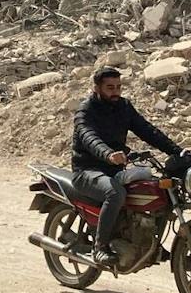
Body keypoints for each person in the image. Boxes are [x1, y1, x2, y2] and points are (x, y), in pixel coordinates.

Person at [71, 66, 184, 262]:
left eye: (118, 87)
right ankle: (100, 247)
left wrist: (177, 151)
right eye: (110, 88)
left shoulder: (123, 106)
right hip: (87, 170)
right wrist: (108, 154)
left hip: (115, 169)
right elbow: (89, 138)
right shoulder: (85, 111)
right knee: (115, 193)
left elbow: (147, 130)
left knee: (157, 188)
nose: (115, 92)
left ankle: (149, 241)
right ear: (97, 88)